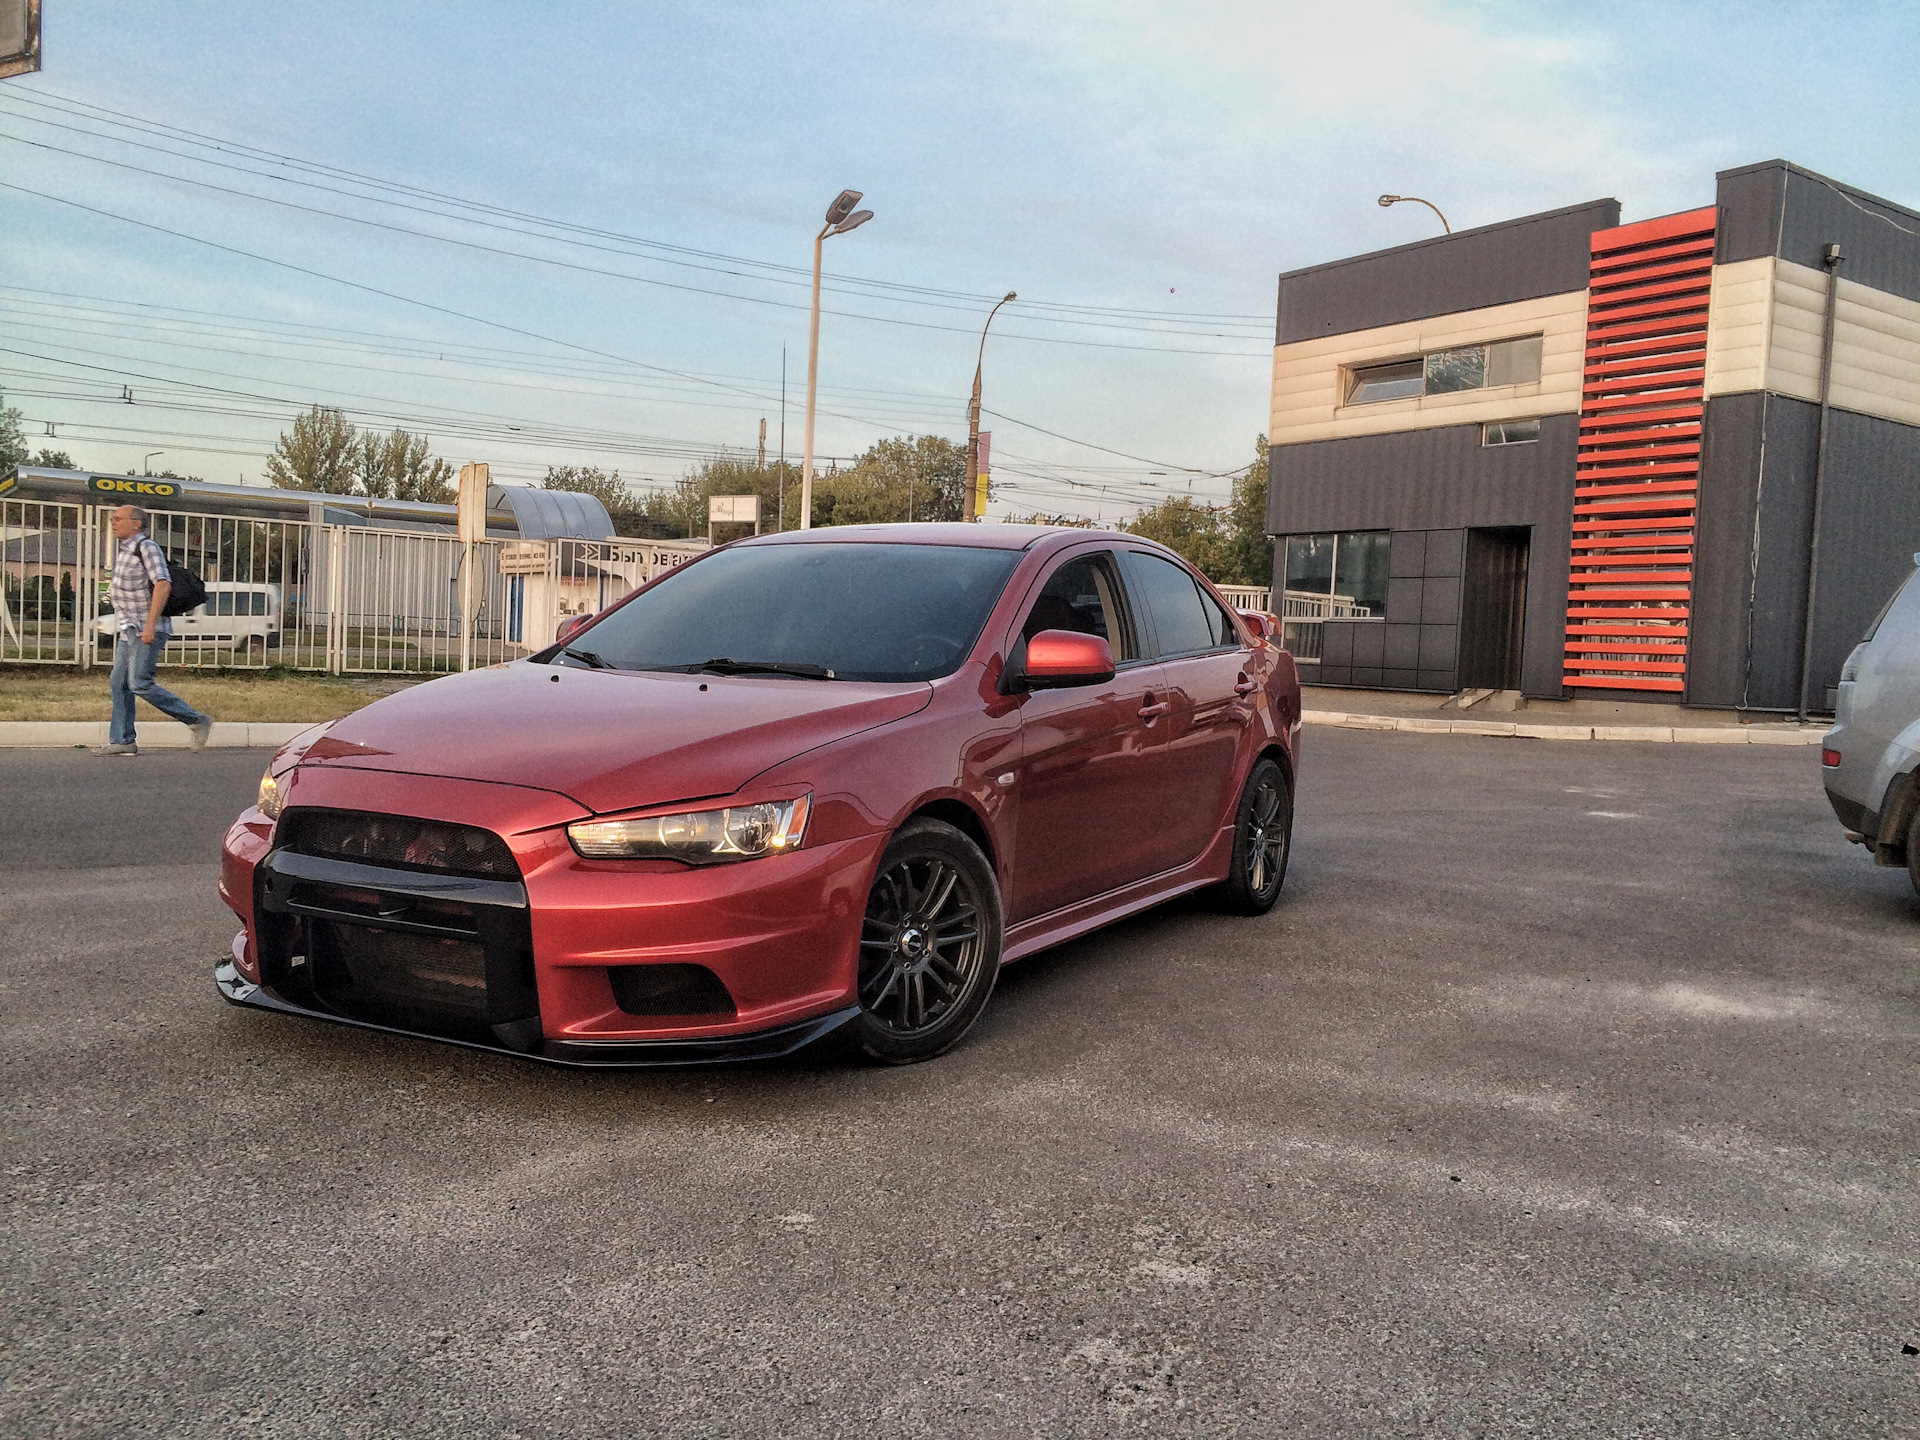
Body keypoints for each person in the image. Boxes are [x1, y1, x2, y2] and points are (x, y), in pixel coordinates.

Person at [95, 504, 212, 757]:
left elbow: (162, 585)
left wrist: (149, 625)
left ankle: (196, 719)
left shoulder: (146, 547)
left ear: (137, 523)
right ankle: (122, 740)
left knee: (139, 683)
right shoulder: (126, 550)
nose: (113, 522)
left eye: (118, 519)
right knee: (119, 682)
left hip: (145, 627)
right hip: (129, 627)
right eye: (112, 519)